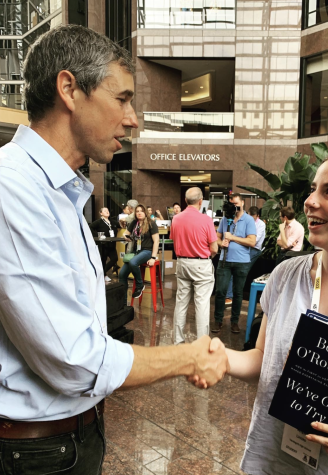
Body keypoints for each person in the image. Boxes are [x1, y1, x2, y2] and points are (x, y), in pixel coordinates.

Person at [0, 24, 228, 475]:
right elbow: (73, 359)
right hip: (33, 454)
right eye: (122, 98)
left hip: (70, 438)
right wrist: (187, 356)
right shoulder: (14, 187)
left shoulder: (62, 191)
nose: (134, 118)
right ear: (69, 88)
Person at [192, 149, 328, 474]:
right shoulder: (286, 275)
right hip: (277, 459)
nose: (310, 201)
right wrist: (221, 357)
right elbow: (263, 357)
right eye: (313, 188)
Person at [170, 187, 218, 344]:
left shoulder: (176, 219)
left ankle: (178, 341)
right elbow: (214, 248)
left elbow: (174, 240)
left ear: (185, 201)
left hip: (182, 263)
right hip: (201, 264)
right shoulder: (206, 219)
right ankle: (202, 343)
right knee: (202, 304)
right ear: (200, 201)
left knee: (181, 302)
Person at [212, 193, 257, 334]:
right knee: (220, 292)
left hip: (242, 262)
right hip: (224, 260)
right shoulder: (226, 219)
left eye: (237, 204)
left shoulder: (249, 220)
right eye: (232, 205)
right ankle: (218, 321)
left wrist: (232, 237)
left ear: (242, 203)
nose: (235, 207)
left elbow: (252, 241)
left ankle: (234, 322)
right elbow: (217, 238)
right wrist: (221, 243)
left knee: (238, 293)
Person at [225, 205, 266, 305]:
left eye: (253, 216)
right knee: (233, 268)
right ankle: (229, 296)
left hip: (253, 249)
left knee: (239, 270)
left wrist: (238, 239)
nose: (251, 218)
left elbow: (253, 241)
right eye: (249, 215)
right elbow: (241, 237)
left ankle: (231, 296)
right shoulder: (244, 221)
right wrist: (243, 240)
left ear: (257, 216)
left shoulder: (260, 224)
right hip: (243, 247)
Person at [119, 203, 160, 299]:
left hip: (147, 251)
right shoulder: (134, 223)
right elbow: (125, 233)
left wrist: (153, 257)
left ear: (145, 212)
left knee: (133, 262)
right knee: (122, 274)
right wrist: (126, 237)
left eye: (141, 211)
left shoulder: (151, 223)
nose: (139, 213)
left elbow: (156, 241)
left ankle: (139, 285)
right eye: (137, 211)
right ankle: (124, 304)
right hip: (136, 252)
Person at [89, 207, 119, 281]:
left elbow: (120, 225)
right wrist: (97, 235)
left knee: (114, 259)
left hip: (112, 244)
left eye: (108, 210)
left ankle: (102, 273)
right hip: (103, 244)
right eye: (105, 211)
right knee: (103, 260)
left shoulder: (112, 221)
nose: (107, 212)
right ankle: (103, 275)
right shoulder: (98, 222)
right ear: (101, 213)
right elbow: (90, 227)